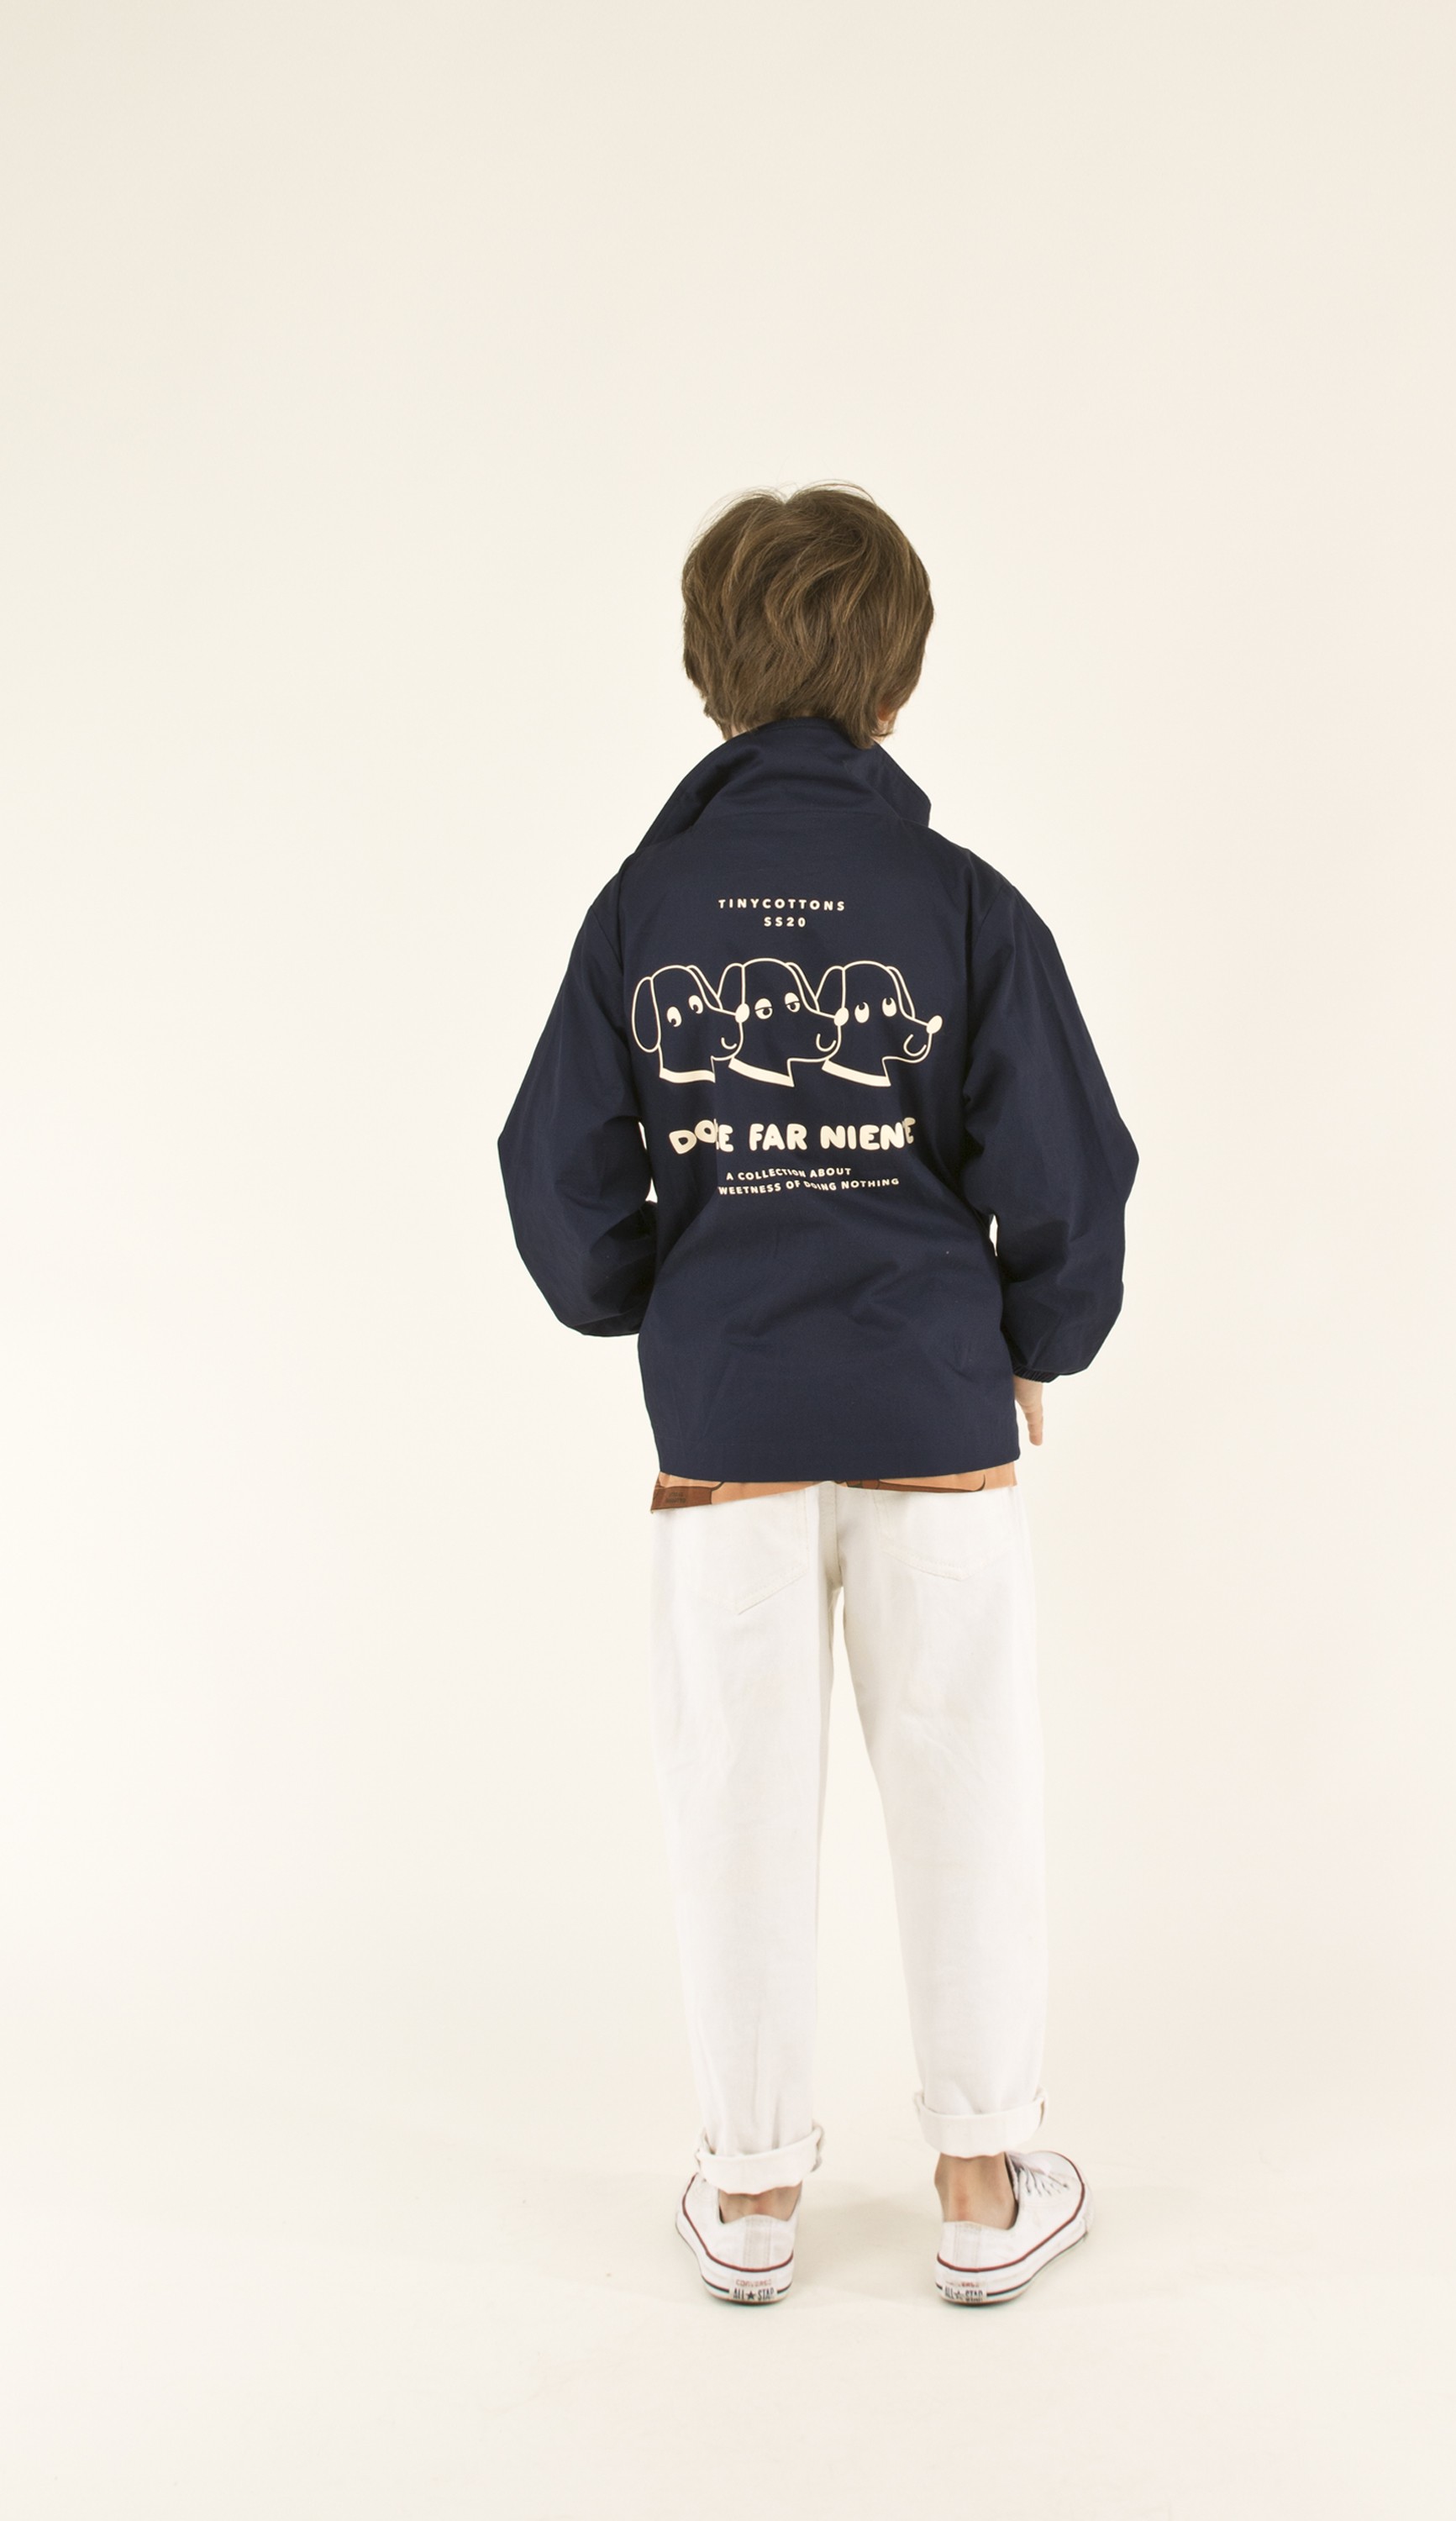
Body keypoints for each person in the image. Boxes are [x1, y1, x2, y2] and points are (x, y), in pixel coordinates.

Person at [498, 483, 1138, 2305]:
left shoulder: (643, 907)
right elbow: (1070, 1166)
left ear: (708, 672)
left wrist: (664, 1309)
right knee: (965, 1784)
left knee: (734, 1797)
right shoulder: (961, 902)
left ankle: (755, 2191)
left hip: (728, 1436)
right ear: (896, 680)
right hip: (936, 1413)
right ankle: (981, 2187)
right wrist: (1036, 1339)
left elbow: (554, 1172)